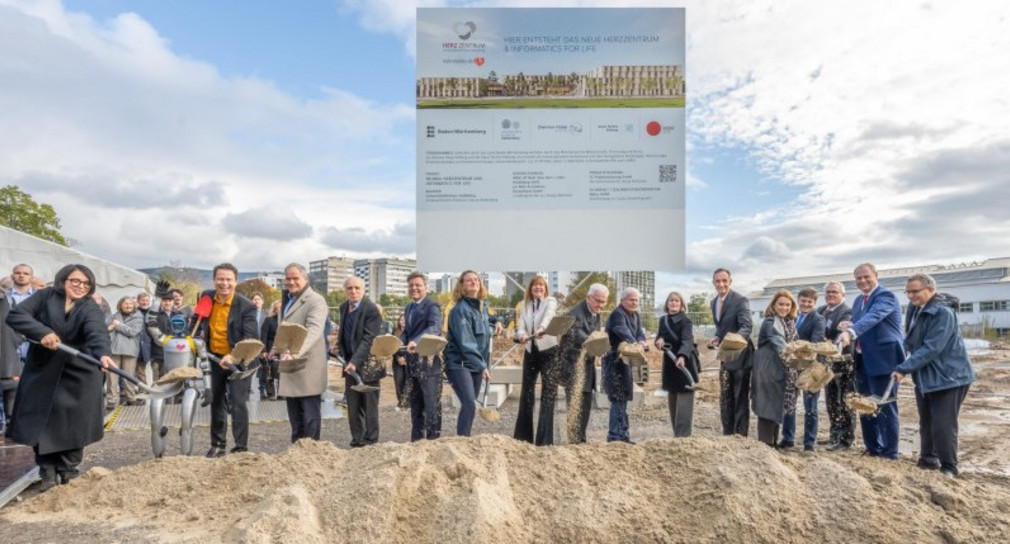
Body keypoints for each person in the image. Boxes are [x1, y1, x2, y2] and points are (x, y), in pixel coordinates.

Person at [5, 264, 116, 490]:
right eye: (75, 281)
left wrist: (103, 354)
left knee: (75, 422)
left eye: (85, 283)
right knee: (42, 420)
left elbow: (97, 332)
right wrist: (42, 332)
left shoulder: (90, 307)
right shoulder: (45, 296)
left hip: (80, 370)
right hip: (43, 368)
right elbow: (16, 316)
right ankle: (46, 472)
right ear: (64, 280)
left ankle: (68, 471)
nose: (80, 286)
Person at [894, 273, 976, 478]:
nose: (911, 296)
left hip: (949, 376)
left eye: (915, 291)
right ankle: (928, 460)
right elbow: (912, 340)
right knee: (926, 422)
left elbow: (932, 347)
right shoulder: (915, 308)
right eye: (908, 292)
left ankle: (949, 467)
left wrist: (904, 368)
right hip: (925, 376)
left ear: (930, 290)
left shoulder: (942, 313)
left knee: (943, 424)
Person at [837, 262, 904, 459]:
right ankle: (873, 446)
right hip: (863, 358)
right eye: (858, 278)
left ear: (876, 275)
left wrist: (851, 330)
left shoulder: (885, 296)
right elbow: (863, 323)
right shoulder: (859, 300)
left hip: (884, 359)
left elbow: (874, 317)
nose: (863, 281)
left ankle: (889, 452)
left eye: (866, 276)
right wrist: (851, 324)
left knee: (884, 405)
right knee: (864, 403)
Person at [197, 263, 259, 457]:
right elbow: (197, 322)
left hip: (240, 360)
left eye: (228, 280)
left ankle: (241, 447)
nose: (224, 283)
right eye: (220, 279)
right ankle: (218, 444)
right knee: (216, 401)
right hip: (214, 359)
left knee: (237, 402)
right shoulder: (206, 297)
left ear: (235, 282)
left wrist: (232, 356)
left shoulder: (246, 306)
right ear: (214, 280)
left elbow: (250, 338)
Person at [444, 270, 502, 437]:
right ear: (461, 286)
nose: (473, 282)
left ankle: (465, 437)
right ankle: (462, 441)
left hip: (475, 365)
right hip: (459, 364)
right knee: (469, 403)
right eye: (468, 280)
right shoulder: (459, 311)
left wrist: (497, 320)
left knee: (470, 405)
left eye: (476, 280)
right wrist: (482, 366)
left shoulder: (481, 307)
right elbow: (466, 342)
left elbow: (487, 317)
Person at [277, 263, 329, 442]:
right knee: (295, 416)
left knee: (309, 416)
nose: (291, 282)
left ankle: (311, 453)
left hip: (307, 365)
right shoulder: (287, 299)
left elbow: (314, 330)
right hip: (290, 364)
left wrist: (295, 352)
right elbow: (284, 330)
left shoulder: (315, 300)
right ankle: (296, 452)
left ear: (305, 279)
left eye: (295, 278)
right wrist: (275, 350)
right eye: (288, 278)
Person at [514, 275, 562, 446]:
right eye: (535, 286)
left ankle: (545, 440)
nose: (538, 288)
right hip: (530, 350)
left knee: (548, 394)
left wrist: (542, 329)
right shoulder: (525, 304)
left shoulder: (551, 301)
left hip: (549, 351)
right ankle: (522, 437)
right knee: (526, 392)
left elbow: (549, 316)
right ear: (530, 289)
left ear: (545, 288)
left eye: (541, 286)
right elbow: (520, 326)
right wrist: (522, 335)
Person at [558, 283, 609, 444]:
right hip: (573, 365)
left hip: (587, 365)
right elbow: (576, 333)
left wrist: (600, 347)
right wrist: (595, 345)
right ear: (589, 298)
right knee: (575, 404)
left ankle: (581, 439)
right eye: (598, 301)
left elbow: (594, 334)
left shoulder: (596, 313)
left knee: (586, 404)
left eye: (603, 302)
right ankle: (573, 441)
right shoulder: (575, 313)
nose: (600, 305)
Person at [707, 268, 754, 436]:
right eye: (717, 281)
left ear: (730, 282)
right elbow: (722, 327)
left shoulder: (740, 300)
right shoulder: (713, 303)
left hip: (741, 355)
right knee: (726, 394)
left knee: (740, 395)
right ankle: (728, 432)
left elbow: (746, 326)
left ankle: (741, 435)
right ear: (713, 283)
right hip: (726, 356)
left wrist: (734, 341)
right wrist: (717, 337)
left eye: (724, 280)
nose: (721, 284)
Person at [338, 276, 383, 447]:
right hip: (349, 364)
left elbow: (368, 339)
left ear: (363, 290)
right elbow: (345, 334)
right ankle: (357, 438)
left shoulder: (371, 309)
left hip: (368, 365)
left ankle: (371, 440)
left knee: (370, 405)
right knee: (353, 404)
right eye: (349, 288)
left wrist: (355, 361)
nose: (353, 291)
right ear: (345, 290)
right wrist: (339, 350)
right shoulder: (344, 308)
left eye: (357, 288)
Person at [398, 272, 444, 441]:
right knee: (416, 406)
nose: (414, 288)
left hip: (429, 364)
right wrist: (397, 342)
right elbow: (407, 333)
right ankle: (416, 442)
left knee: (432, 406)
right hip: (413, 364)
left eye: (418, 285)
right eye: (411, 285)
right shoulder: (409, 307)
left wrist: (416, 342)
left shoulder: (433, 307)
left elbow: (434, 329)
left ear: (426, 287)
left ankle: (433, 442)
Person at [780, 287, 826, 450]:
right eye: (803, 301)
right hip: (792, 366)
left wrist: (795, 348)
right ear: (798, 300)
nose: (806, 304)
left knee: (810, 408)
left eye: (810, 302)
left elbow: (815, 342)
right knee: (789, 404)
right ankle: (788, 438)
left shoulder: (818, 319)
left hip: (811, 368)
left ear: (814, 303)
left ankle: (809, 443)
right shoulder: (791, 317)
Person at [751, 290, 798, 447]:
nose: (784, 307)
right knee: (767, 404)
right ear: (773, 305)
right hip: (767, 368)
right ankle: (765, 445)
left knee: (776, 403)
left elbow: (796, 342)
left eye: (787, 305)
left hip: (780, 367)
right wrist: (793, 357)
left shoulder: (789, 322)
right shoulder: (771, 322)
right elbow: (778, 341)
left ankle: (773, 442)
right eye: (780, 304)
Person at [603, 287, 647, 444]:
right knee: (617, 398)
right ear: (623, 301)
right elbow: (621, 330)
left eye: (636, 300)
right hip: (614, 362)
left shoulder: (635, 315)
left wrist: (641, 340)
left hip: (625, 362)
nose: (634, 302)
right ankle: (615, 436)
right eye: (631, 299)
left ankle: (623, 434)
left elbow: (640, 332)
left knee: (624, 398)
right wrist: (634, 342)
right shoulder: (617, 314)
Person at [654, 291, 698, 438]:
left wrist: (682, 355)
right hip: (670, 364)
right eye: (671, 301)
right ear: (667, 303)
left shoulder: (686, 321)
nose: (674, 303)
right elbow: (659, 336)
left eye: (677, 301)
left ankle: (683, 436)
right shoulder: (663, 320)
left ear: (681, 304)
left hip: (683, 363)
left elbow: (687, 340)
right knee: (673, 400)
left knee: (684, 401)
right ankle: (676, 434)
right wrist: (659, 340)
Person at [818, 281, 856, 451]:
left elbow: (841, 333)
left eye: (834, 292)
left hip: (843, 363)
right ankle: (834, 435)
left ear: (843, 295)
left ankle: (845, 439)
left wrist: (828, 340)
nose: (830, 295)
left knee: (844, 400)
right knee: (831, 400)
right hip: (827, 364)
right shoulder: (821, 311)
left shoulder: (847, 312)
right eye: (827, 292)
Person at [106, 296, 144, 408]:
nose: (128, 306)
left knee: (129, 376)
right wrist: (110, 327)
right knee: (111, 377)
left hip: (130, 350)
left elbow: (133, 332)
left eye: (130, 304)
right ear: (120, 305)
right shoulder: (114, 316)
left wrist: (118, 325)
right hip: (113, 349)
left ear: (134, 306)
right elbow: (107, 328)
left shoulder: (138, 317)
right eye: (125, 303)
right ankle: (111, 400)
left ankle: (131, 398)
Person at [258, 301, 281, 400]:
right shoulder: (269, 320)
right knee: (269, 372)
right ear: (275, 309)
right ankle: (270, 393)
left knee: (282, 373)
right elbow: (263, 336)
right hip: (270, 348)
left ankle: (281, 393)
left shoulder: (287, 320)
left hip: (283, 350)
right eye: (280, 307)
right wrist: (264, 351)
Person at [135, 292, 155, 384]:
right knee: (139, 370)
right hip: (137, 346)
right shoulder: (133, 312)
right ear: (138, 301)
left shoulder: (153, 313)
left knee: (153, 369)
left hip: (152, 345)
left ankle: (151, 389)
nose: (145, 302)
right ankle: (142, 390)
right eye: (142, 300)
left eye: (147, 300)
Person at [391, 315, 409, 411]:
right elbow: (391, 346)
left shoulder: (411, 331)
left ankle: (407, 403)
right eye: (401, 319)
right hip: (397, 361)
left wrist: (405, 358)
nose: (403, 321)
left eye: (405, 319)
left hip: (408, 360)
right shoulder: (394, 332)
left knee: (408, 381)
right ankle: (400, 402)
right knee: (399, 382)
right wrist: (398, 358)